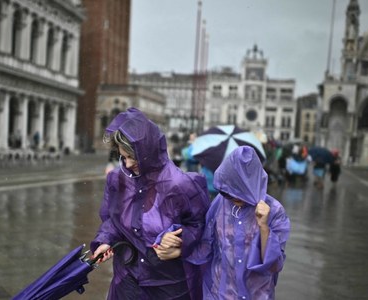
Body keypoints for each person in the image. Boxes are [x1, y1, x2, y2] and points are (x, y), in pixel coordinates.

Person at [91, 107, 210, 300]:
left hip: (168, 284)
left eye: (132, 157)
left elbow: (200, 225)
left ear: (148, 152)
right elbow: (112, 221)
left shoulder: (180, 184)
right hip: (127, 280)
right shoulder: (117, 179)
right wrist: (106, 241)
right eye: (123, 157)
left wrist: (180, 241)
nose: (127, 164)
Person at [157, 146, 291, 299]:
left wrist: (264, 227)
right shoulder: (221, 203)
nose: (234, 198)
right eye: (229, 193)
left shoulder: (274, 211)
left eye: (239, 191)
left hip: (257, 295)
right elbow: (207, 243)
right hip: (219, 293)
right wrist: (179, 247)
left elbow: (274, 266)